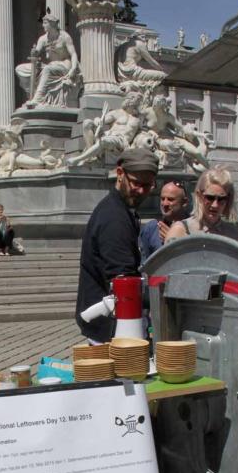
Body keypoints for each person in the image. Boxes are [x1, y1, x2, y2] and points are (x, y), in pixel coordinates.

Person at [76, 147, 159, 343]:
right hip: (113, 328)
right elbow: (123, 279)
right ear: (120, 173)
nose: (141, 191)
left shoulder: (120, 208)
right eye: (136, 183)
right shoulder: (115, 218)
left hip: (107, 324)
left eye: (148, 185)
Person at [164, 166, 238, 243]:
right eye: (210, 198)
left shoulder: (234, 236)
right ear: (199, 196)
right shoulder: (180, 231)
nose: (215, 205)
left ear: (228, 199)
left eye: (221, 199)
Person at [140, 181, 189, 262]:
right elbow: (144, 265)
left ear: (184, 202)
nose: (165, 204)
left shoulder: (194, 227)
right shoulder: (151, 228)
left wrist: (172, 240)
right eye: (162, 199)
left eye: (170, 199)